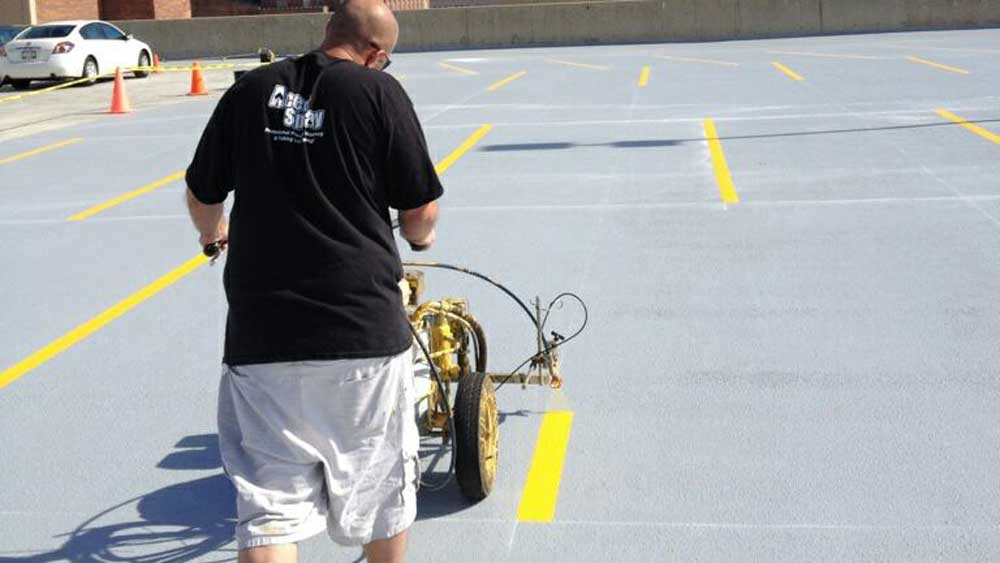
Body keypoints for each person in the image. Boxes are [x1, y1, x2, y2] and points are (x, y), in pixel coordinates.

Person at [183, 1, 442, 561]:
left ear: (328, 31)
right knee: (379, 498)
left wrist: (214, 234)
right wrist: (420, 240)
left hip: (262, 338)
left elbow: (204, 192)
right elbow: (420, 211)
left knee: (268, 513)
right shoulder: (379, 93)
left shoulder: (250, 91)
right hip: (362, 335)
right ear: (376, 54)